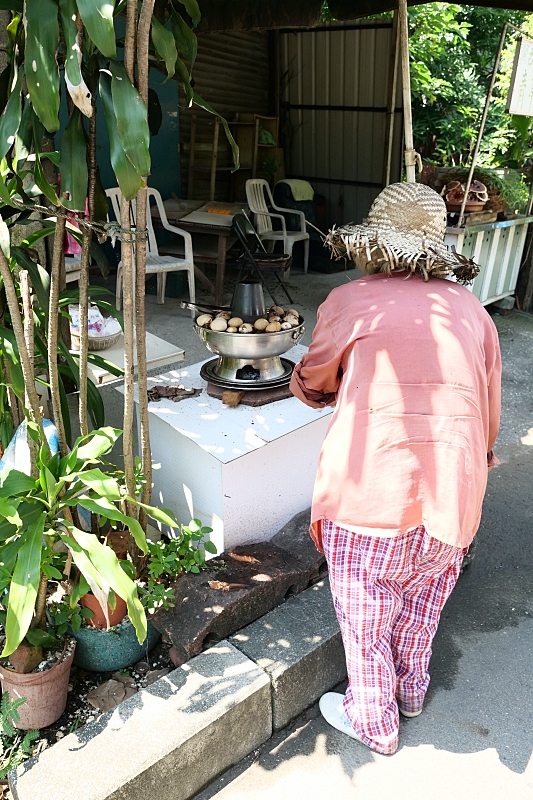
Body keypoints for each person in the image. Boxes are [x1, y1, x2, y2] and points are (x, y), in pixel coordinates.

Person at [289, 182, 501, 756]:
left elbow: (314, 382)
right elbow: (489, 413)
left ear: (372, 243)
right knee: (421, 605)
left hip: (370, 495)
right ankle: (410, 691)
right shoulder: (474, 312)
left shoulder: (351, 302)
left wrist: (312, 384)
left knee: (365, 616)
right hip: (455, 497)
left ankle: (375, 722)